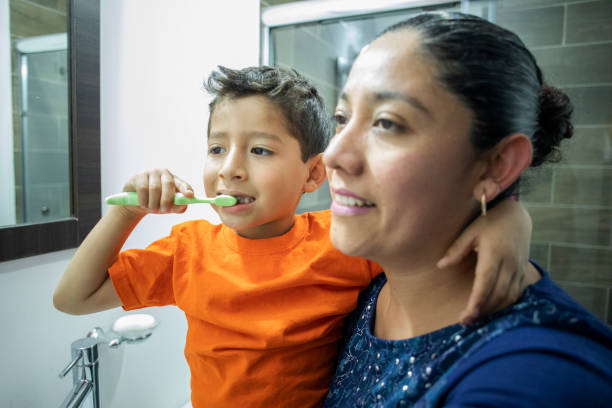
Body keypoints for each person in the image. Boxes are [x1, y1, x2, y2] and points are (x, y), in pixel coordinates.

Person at [54, 65, 533, 407]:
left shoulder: (341, 238)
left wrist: (507, 219)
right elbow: (73, 299)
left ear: (312, 174)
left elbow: (432, 235)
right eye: (217, 148)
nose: (231, 169)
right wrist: (127, 213)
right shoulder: (187, 248)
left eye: (260, 149)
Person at [322, 12, 612, 407]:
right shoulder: (369, 288)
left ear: (496, 165)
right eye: (342, 118)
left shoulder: (533, 379)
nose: (333, 154)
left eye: (387, 123)